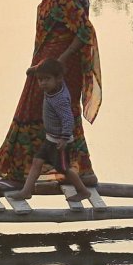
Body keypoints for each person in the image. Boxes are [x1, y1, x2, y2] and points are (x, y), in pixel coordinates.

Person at [0, 0, 102, 192]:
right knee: (45, 112)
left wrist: (62, 59)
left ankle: (21, 175)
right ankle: (80, 171)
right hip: (45, 66)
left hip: (60, 69)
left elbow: (85, 32)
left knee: (41, 112)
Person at [7, 59, 91, 203]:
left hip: (59, 142)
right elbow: (46, 68)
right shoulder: (54, 87)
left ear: (58, 79)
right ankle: (26, 191)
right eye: (40, 80)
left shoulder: (60, 99)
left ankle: (83, 191)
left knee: (64, 169)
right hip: (49, 139)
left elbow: (68, 119)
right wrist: (34, 70)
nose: (43, 83)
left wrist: (64, 139)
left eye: (47, 79)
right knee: (37, 162)